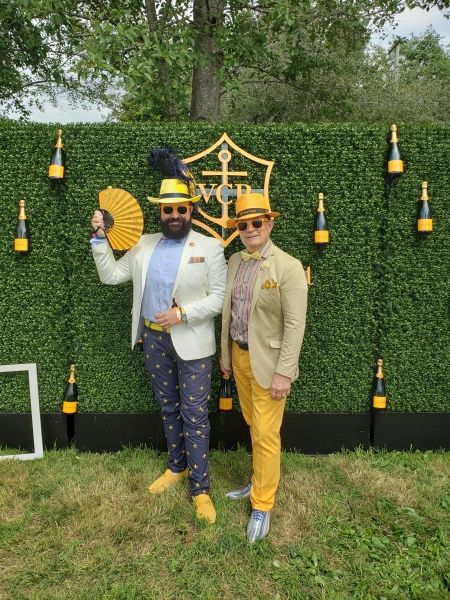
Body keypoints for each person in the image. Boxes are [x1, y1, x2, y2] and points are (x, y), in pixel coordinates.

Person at [91, 167, 227, 524]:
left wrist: (182, 313)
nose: (175, 215)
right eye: (168, 209)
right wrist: (100, 238)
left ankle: (200, 489)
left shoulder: (210, 247)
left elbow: (218, 298)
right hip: (153, 340)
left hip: (193, 343)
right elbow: (111, 276)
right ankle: (176, 467)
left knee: (194, 415)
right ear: (160, 212)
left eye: (181, 208)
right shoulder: (142, 245)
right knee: (168, 408)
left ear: (191, 210)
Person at [220, 192, 308, 543]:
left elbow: (295, 325)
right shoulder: (234, 261)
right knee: (254, 425)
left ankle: (262, 504)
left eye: (257, 222)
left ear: (269, 223)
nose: (250, 229)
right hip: (239, 358)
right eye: (243, 225)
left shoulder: (288, 266)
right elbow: (228, 314)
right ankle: (258, 480)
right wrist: (226, 358)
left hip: (270, 366)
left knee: (267, 434)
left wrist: (284, 372)